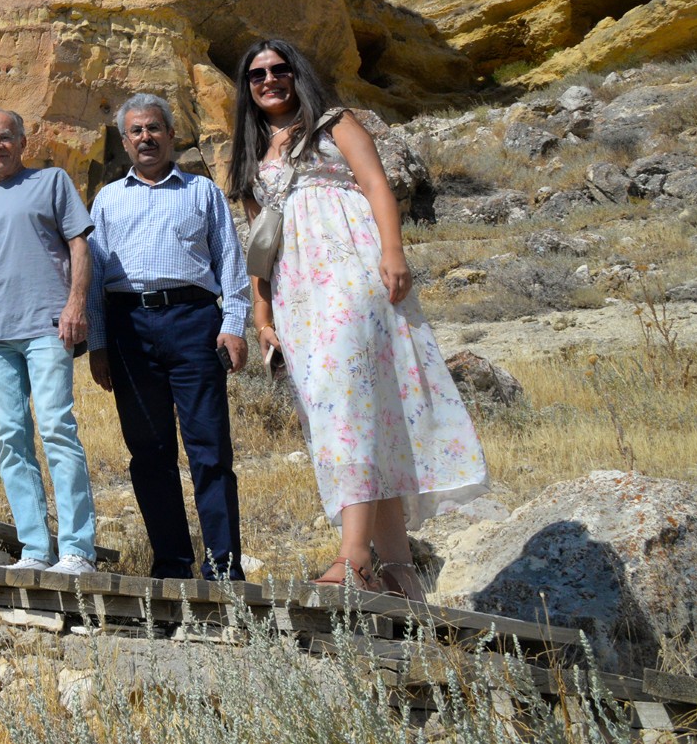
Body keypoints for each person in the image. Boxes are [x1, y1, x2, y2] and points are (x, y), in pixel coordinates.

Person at [231, 38, 487, 599]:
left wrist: (393, 251)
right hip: (297, 292)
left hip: (349, 271)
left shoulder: (332, 123)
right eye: (257, 75)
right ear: (246, 87)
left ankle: (355, 556)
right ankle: (400, 572)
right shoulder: (252, 149)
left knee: (347, 404)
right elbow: (259, 239)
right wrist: (262, 309)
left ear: (298, 73)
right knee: (345, 411)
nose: (270, 80)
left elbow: (376, 184)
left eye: (280, 70)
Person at [86, 93, 251, 580]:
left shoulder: (202, 192)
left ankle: (223, 566)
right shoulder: (108, 199)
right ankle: (172, 564)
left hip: (194, 323)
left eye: (154, 128)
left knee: (210, 448)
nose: (146, 138)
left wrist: (234, 325)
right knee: (149, 451)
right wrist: (98, 345)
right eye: (135, 131)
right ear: (124, 141)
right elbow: (93, 281)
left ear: (171, 134)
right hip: (128, 329)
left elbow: (231, 264)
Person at [0, 110, 97, 573]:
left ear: (22, 140)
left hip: (46, 326)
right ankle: (35, 549)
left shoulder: (52, 181)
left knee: (56, 428)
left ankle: (77, 549)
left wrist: (77, 305)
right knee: (11, 438)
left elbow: (79, 244)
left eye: (5, 137)